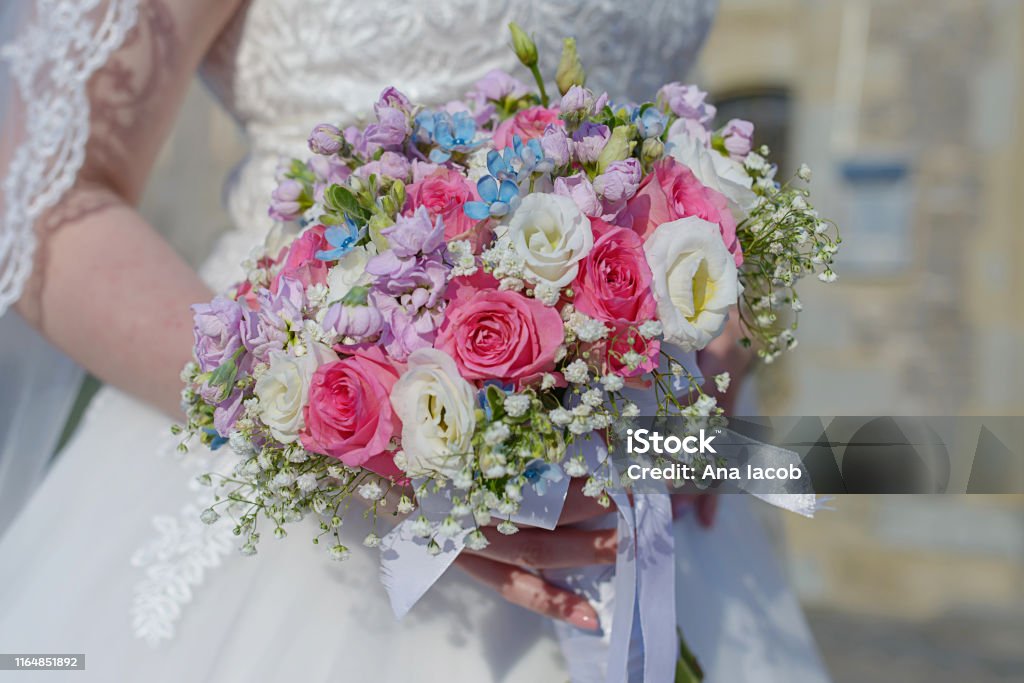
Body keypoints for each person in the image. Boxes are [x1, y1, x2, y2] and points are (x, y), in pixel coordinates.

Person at [0, 1, 829, 680]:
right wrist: (345, 430)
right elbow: (42, 197)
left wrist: (724, 335)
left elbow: (668, 132)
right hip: (306, 457)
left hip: (653, 468)